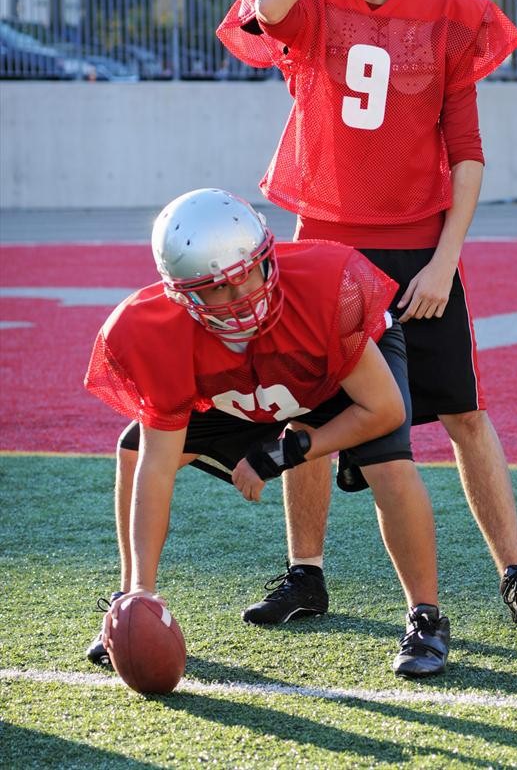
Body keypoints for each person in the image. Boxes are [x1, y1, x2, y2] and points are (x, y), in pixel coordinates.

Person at [217, 0, 517, 628]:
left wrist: (445, 261)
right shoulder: (311, 2)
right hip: (327, 247)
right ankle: (305, 572)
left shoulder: (449, 11)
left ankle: (515, 569)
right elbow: (269, 8)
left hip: (420, 251)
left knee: (465, 413)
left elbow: (467, 156)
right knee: (313, 414)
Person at [84, 187, 450, 678]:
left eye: (247, 274)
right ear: (182, 293)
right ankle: (132, 597)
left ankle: (425, 617)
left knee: (389, 463)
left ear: (268, 257)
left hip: (331, 372)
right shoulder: (154, 331)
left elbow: (382, 410)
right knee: (135, 450)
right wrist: (142, 594)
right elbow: (156, 468)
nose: (242, 297)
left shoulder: (325, 290)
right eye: (217, 287)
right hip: (242, 383)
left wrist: (287, 451)